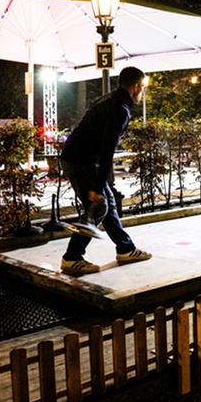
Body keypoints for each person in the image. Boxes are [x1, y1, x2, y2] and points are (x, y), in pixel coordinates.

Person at [59, 66, 152, 276]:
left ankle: (126, 249)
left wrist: (101, 184)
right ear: (136, 87)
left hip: (79, 157)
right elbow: (107, 149)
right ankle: (72, 257)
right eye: (142, 87)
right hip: (81, 161)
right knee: (99, 207)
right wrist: (99, 186)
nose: (142, 92)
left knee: (107, 206)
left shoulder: (109, 99)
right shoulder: (120, 109)